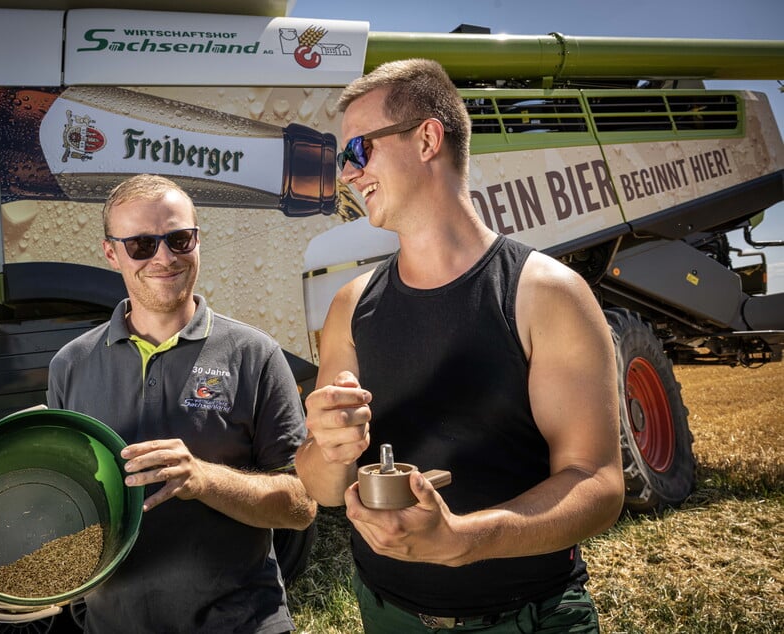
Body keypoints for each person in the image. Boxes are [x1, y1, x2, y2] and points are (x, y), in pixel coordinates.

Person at [294, 58, 624, 632]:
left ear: (427, 138)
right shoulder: (350, 305)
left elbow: (597, 484)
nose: (348, 174)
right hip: (386, 612)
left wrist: (463, 540)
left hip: (529, 617)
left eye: (358, 151)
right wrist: (329, 448)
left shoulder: (545, 294)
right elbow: (322, 490)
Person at [47, 174, 317, 634]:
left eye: (179, 239)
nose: (164, 258)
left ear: (197, 242)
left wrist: (203, 479)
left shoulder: (255, 354)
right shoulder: (70, 366)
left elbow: (301, 505)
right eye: (141, 245)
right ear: (111, 253)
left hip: (240, 623)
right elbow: (63, 503)